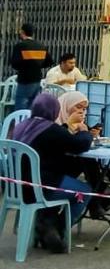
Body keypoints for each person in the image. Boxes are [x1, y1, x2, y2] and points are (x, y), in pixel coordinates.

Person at [12, 93, 94, 251]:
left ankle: (47, 222)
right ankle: (55, 227)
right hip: (42, 186)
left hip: (17, 186)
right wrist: (85, 132)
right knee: (84, 191)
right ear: (54, 111)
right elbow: (79, 145)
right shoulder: (50, 129)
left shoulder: (21, 126)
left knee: (71, 168)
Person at [9, 22, 53, 111]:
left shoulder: (21, 46)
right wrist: (37, 66)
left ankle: (21, 124)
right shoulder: (41, 46)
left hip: (24, 79)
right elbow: (49, 62)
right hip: (37, 79)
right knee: (32, 106)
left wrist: (25, 68)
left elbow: (14, 63)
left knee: (21, 105)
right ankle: (30, 124)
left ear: (22, 32)